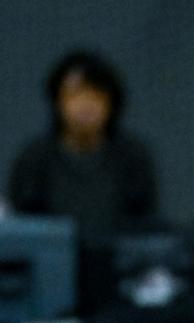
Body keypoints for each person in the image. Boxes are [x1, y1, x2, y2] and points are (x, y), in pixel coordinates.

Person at [7, 49, 157, 234]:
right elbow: (21, 227)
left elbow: (145, 225)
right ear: (57, 101)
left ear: (111, 102)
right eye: (75, 94)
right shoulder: (34, 159)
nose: (85, 105)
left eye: (95, 95)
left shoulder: (133, 157)